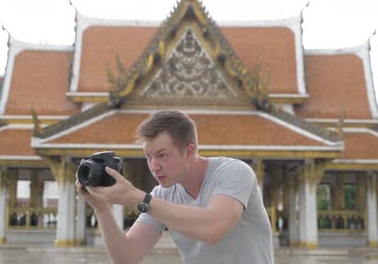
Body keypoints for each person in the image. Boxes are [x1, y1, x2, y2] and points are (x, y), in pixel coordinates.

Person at [76, 110, 274, 264]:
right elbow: (126, 256)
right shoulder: (161, 195)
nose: (154, 166)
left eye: (162, 155)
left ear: (189, 150)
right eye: (148, 156)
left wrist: (138, 198)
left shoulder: (234, 172)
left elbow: (213, 228)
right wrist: (102, 209)